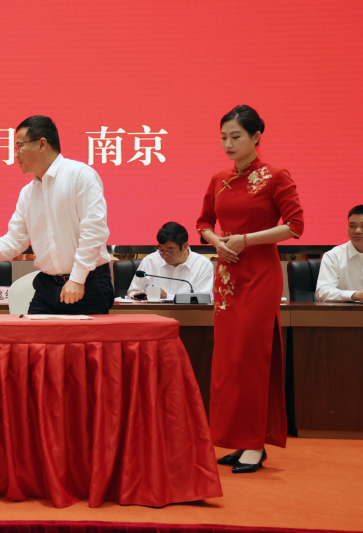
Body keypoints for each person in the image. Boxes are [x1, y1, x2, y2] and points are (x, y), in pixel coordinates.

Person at [197, 105, 304, 473]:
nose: (228, 144)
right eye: (223, 137)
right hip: (227, 277)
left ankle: (255, 443)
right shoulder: (218, 178)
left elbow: (295, 226)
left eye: (236, 136)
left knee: (251, 357)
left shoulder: (275, 175)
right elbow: (203, 222)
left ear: (256, 136)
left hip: (260, 275)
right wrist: (217, 242)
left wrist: (245, 239)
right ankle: (238, 439)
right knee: (228, 362)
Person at [0, 115, 113, 314]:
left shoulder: (80, 175)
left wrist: (77, 278)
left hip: (87, 284)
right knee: (31, 334)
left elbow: (94, 231)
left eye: (19, 146)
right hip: (47, 287)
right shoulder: (27, 193)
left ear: (42, 144)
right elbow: (14, 241)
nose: (15, 154)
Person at [127, 221, 214, 298]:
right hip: (153, 311)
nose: (164, 255)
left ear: (184, 246)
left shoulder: (203, 265)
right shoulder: (150, 261)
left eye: (169, 251)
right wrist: (136, 295)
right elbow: (132, 292)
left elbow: (203, 300)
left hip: (188, 312)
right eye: (161, 250)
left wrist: (167, 297)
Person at [315, 205, 363, 302]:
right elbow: (323, 292)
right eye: (352, 226)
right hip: (346, 310)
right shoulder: (333, 256)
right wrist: (353, 295)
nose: (357, 231)